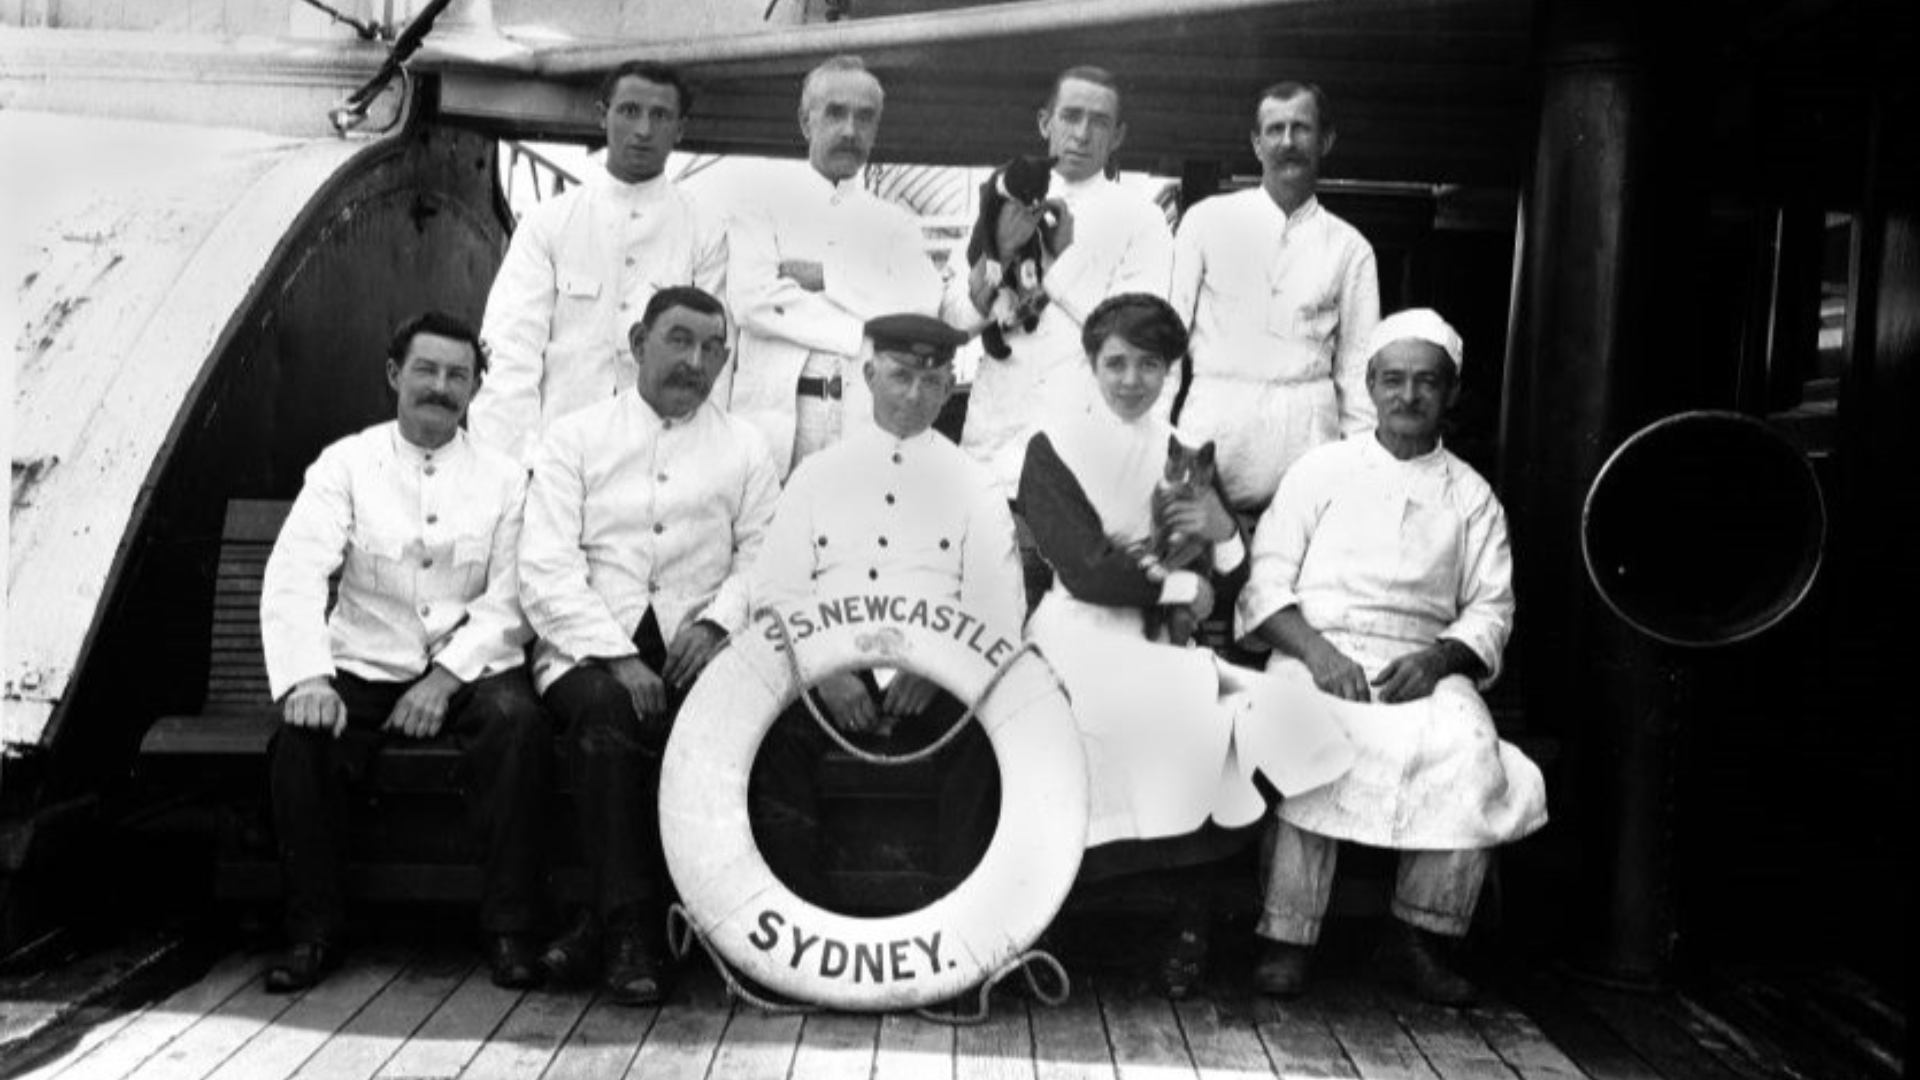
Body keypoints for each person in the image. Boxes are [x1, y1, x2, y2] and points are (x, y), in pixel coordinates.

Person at [1017, 293, 1352, 997]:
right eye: (1116, 363)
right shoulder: (1054, 446)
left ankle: (1187, 920)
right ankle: (1052, 917)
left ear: (1171, 370)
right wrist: (1177, 590)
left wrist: (1224, 533)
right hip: (1076, 633)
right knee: (1142, 717)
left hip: (1158, 644)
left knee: (1246, 719)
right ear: (1091, 364)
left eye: (1149, 365)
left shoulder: (1182, 450)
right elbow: (1083, 566)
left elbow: (1224, 585)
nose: (1132, 380)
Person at [1236, 308, 1547, 1005]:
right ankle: (1286, 937)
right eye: (1395, 381)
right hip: (1319, 651)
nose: (1409, 397)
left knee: (1469, 750)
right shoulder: (1320, 471)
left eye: (1427, 384)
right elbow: (1266, 584)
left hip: (1421, 667)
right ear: (1370, 384)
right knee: (1305, 736)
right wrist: (1317, 654)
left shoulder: (1473, 498)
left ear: (1451, 393)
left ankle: (1419, 940)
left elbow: (1491, 609)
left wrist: (1437, 662)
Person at [260, 311, 548, 993]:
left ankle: (510, 930)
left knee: (519, 729)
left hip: (469, 665)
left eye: (458, 376)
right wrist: (308, 678)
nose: (441, 387)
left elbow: (513, 596)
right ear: (395, 374)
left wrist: (444, 681)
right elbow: (296, 569)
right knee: (300, 743)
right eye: (426, 370)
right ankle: (313, 930)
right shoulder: (347, 464)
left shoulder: (506, 478)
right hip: (364, 661)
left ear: (476, 389)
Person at [518, 285, 779, 1004]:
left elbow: (764, 555)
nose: (694, 361)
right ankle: (633, 929)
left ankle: (597, 926)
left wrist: (717, 623)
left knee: (716, 723)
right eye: (678, 340)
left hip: (699, 645)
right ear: (638, 343)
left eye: (711, 348)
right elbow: (544, 566)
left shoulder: (746, 445)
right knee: (608, 711)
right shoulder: (574, 437)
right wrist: (617, 655)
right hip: (589, 648)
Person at [748, 312, 1023, 909]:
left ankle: (958, 933)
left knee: (985, 744)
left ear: (950, 387)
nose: (914, 394)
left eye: (931, 382)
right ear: (869, 375)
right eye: (900, 375)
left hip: (937, 688)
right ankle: (800, 930)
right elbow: (773, 593)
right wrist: (830, 672)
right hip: (826, 683)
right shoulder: (816, 477)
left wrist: (935, 672)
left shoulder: (976, 487)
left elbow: (997, 611)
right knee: (770, 742)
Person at [726, 55, 972, 480]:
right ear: (806, 121)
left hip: (862, 423)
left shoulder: (895, 226)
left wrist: (828, 278)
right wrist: (862, 330)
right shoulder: (760, 207)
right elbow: (754, 303)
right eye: (836, 113)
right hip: (778, 428)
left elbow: (919, 306)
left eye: (865, 118)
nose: (850, 131)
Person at [473, 61, 727, 463]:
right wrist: (514, 464)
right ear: (601, 115)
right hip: (556, 452)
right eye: (629, 111)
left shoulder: (705, 232)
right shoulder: (549, 222)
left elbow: (712, 361)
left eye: (660, 116)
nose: (643, 130)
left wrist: (693, 462)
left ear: (680, 128)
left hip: (661, 455)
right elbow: (511, 352)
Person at [960, 65, 1174, 502]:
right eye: (1070, 116)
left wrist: (1060, 267)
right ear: (1045, 122)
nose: (1081, 134)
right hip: (995, 439)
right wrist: (999, 250)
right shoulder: (997, 200)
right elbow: (953, 322)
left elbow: (1136, 334)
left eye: (1099, 122)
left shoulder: (1141, 220)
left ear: (1118, 137)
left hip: (1081, 452)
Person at [1171, 81, 1380, 511]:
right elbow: (1165, 339)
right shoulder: (1206, 221)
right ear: (1256, 142)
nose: (1288, 142)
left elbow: (1358, 370)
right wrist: (1154, 439)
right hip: (1214, 434)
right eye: (1275, 129)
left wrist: (1363, 469)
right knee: (1199, 572)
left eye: (1301, 129)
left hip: (1306, 442)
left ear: (1325, 140)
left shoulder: (1350, 247)